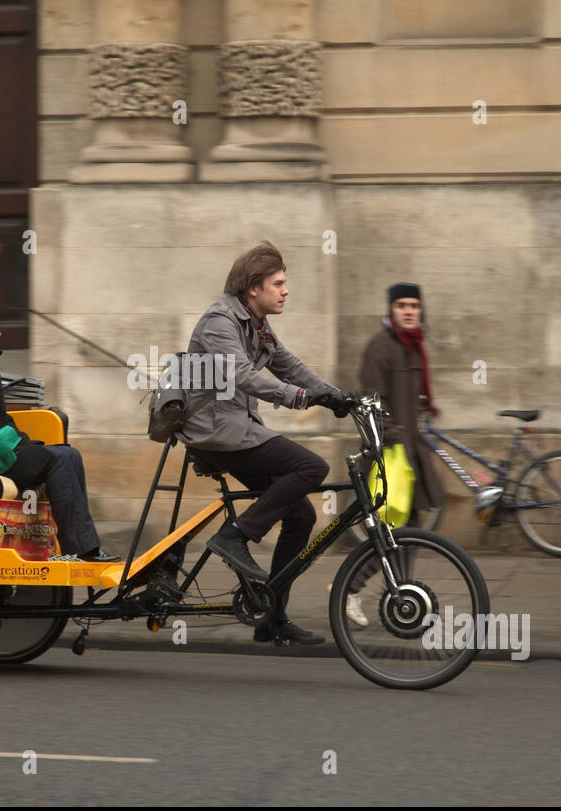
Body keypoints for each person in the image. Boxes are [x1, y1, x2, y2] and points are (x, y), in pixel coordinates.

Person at [179, 241, 350, 645]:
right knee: (311, 467)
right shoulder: (219, 322)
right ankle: (235, 535)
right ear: (253, 287)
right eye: (279, 283)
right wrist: (300, 399)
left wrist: (335, 395)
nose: (286, 290)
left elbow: (286, 363)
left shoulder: (254, 323)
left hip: (237, 428)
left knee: (302, 517)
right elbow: (244, 375)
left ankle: (271, 617)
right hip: (216, 432)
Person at [0, 294, 120, 563]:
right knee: (59, 460)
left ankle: (83, 547)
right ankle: (80, 550)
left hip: (6, 448)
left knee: (70, 454)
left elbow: (0, 417)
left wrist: (21, 441)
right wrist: (13, 443)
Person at [346, 282, 446, 627]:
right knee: (393, 530)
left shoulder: (414, 347)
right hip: (390, 453)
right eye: (402, 305)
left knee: (410, 528)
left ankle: (401, 598)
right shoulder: (381, 347)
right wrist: (395, 436)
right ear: (391, 310)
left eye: (414, 306)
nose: (408, 311)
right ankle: (351, 589)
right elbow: (370, 401)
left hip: (410, 451)